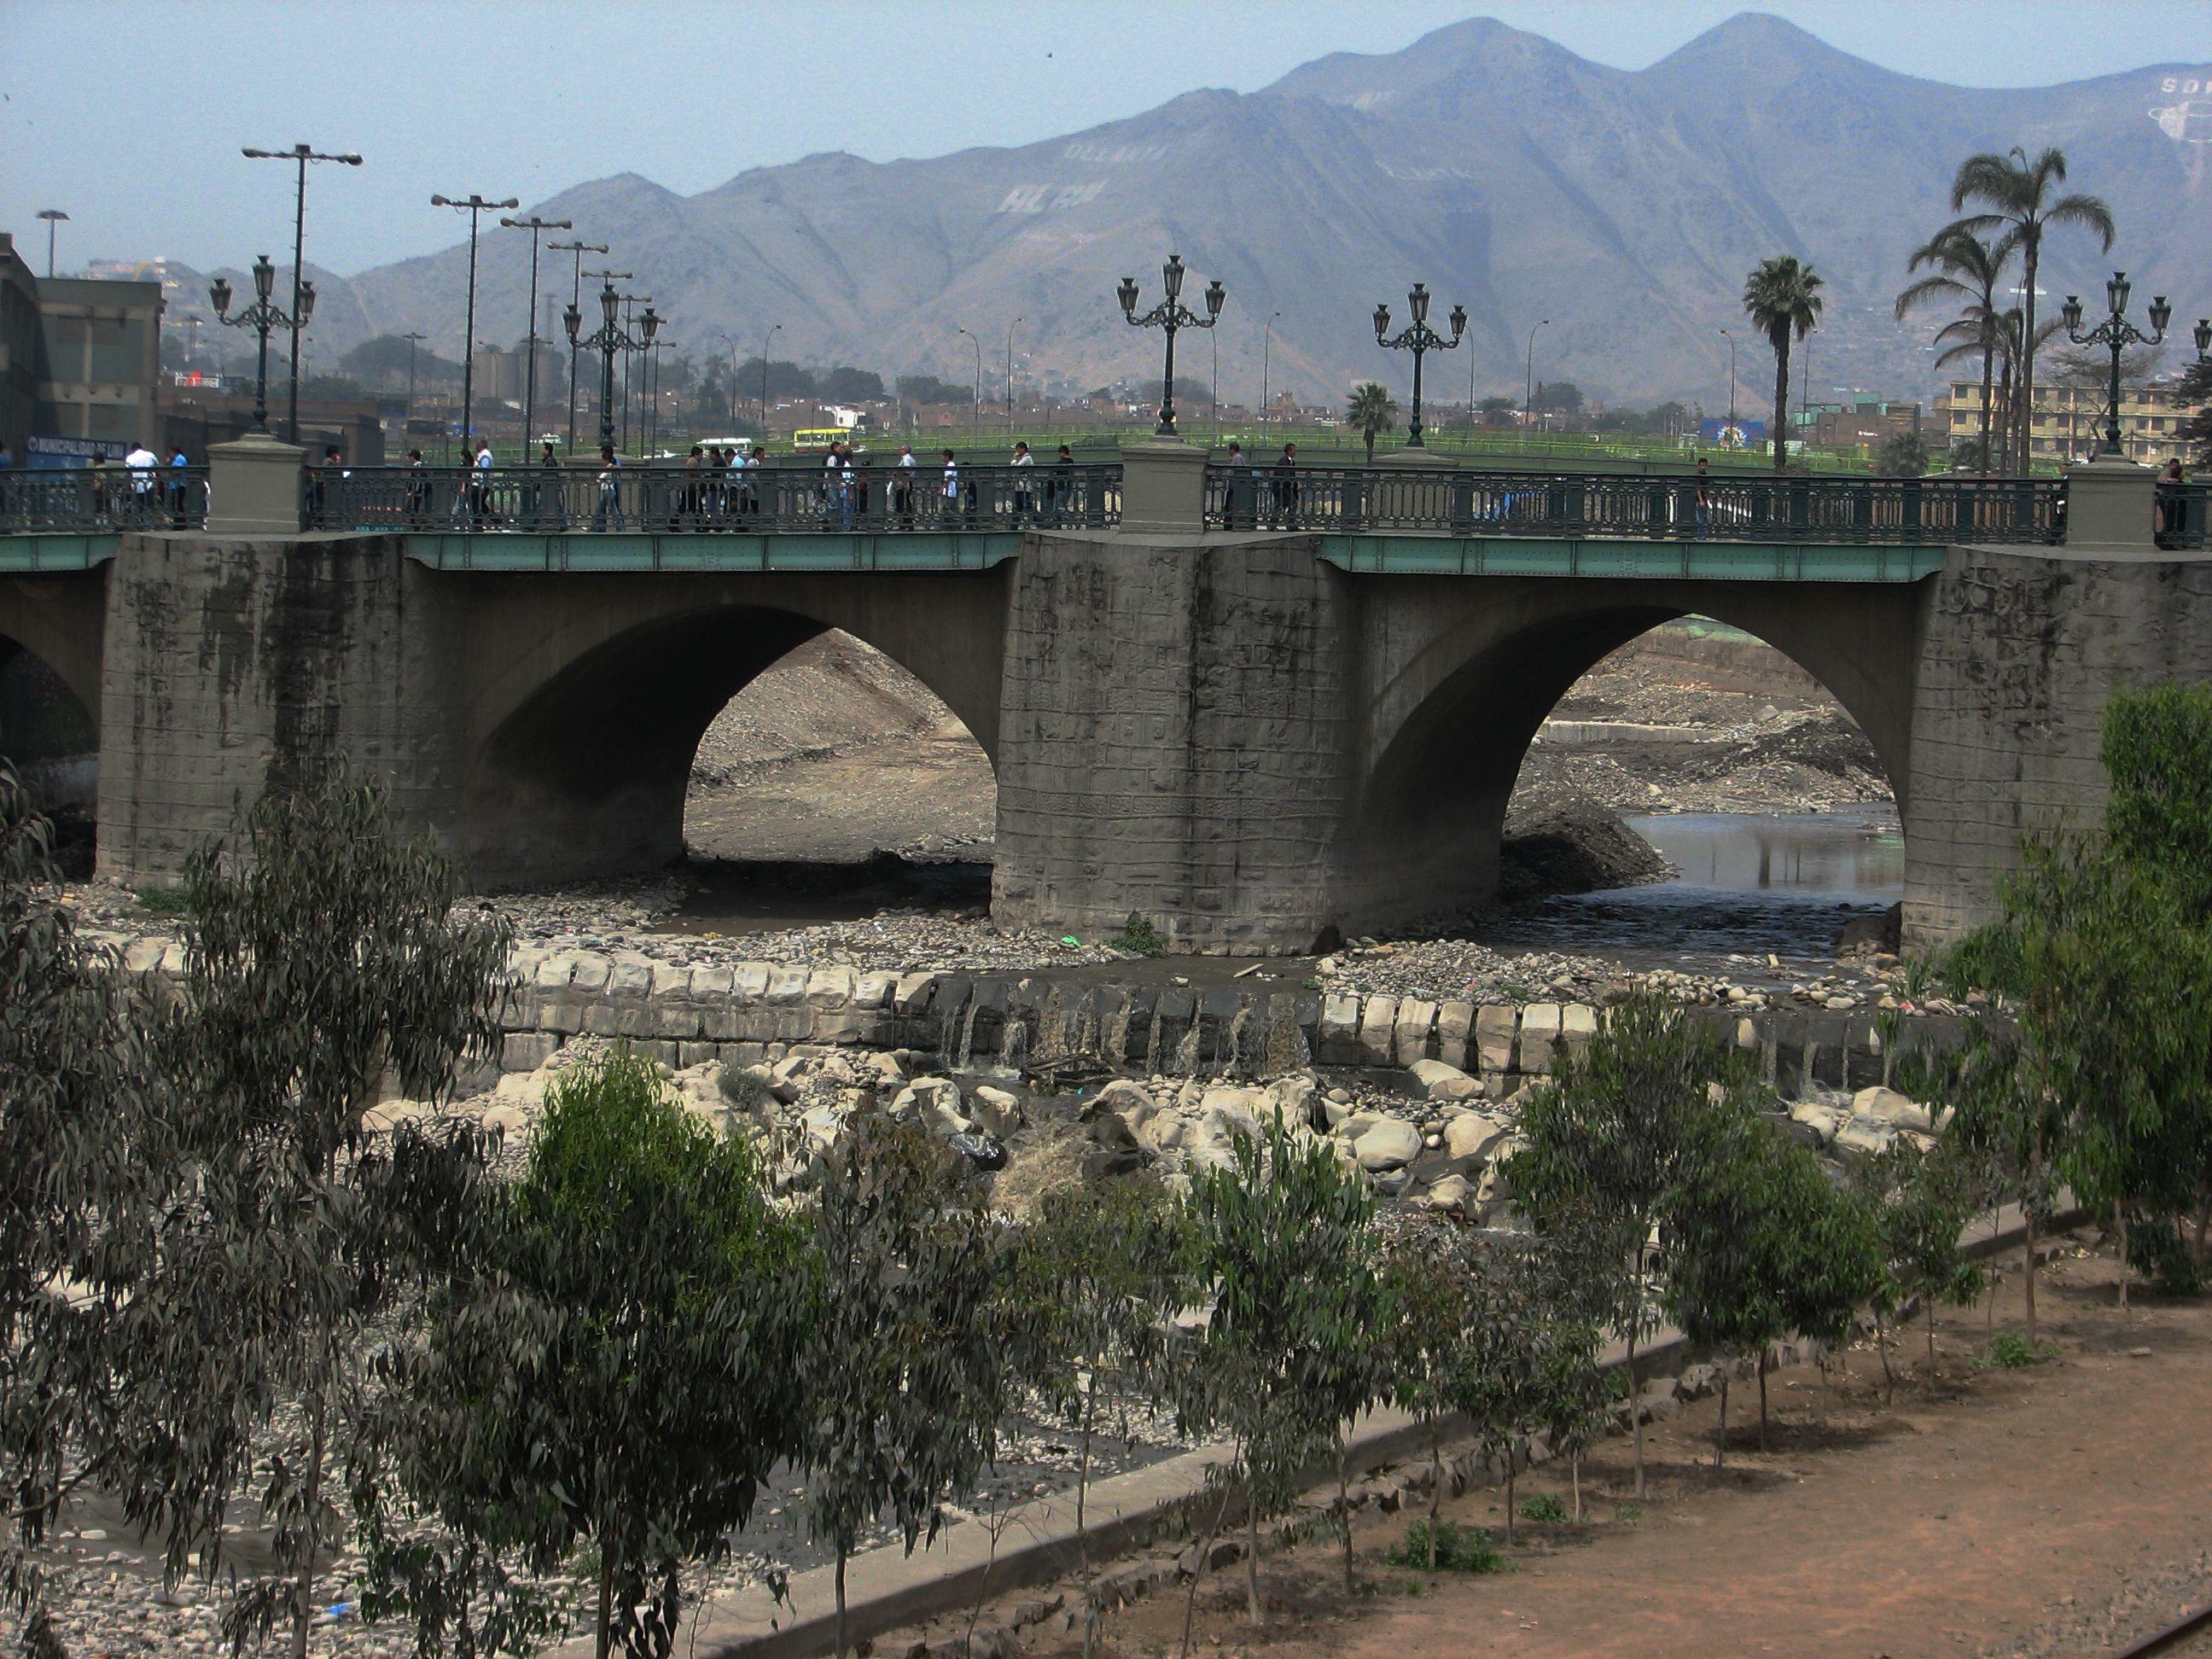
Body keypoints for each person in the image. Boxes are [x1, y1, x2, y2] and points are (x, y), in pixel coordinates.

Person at [2154, 457, 2187, 550]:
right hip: (2166, 499)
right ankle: (2166, 539)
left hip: (2173, 501)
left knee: (2172, 520)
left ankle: (2169, 539)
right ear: (2170, 465)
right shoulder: (2166, 472)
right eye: (2173, 466)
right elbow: (2160, 480)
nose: (2174, 468)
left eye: (2176, 466)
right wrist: (2169, 480)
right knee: (2168, 520)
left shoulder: (2176, 473)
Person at [125, 439, 160, 526]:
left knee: (136, 506)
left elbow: (128, 472)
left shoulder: (130, 458)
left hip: (136, 485)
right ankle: (149, 525)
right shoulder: (150, 455)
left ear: (133, 450)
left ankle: (136, 525)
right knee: (150, 506)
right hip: (149, 484)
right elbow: (156, 465)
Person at [536, 439, 566, 531]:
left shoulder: (549, 461)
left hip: (549, 488)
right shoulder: (549, 460)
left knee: (541, 506)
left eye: (543, 449)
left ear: (547, 451)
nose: (541, 451)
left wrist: (539, 487)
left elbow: (549, 474)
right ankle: (564, 524)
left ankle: (532, 524)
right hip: (551, 487)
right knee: (557, 507)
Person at [593, 443, 623, 530]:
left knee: (614, 509)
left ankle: (620, 528)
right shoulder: (613, 461)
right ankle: (598, 527)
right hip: (609, 487)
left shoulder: (612, 462)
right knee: (601, 508)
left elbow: (601, 477)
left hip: (611, 487)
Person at [1271, 441, 1299, 528]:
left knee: (1279, 506)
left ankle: (1273, 526)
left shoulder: (1291, 462)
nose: (1295, 452)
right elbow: (1284, 476)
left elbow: (1292, 476)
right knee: (1292, 504)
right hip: (1282, 488)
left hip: (1286, 488)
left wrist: (1295, 486)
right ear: (1289, 451)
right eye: (1294, 450)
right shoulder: (1283, 462)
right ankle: (1290, 524)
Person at [1010, 439, 1036, 524]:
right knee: (1019, 506)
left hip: (1024, 486)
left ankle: (1039, 520)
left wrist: (1014, 458)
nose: (1017, 451)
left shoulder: (1027, 458)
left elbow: (1017, 467)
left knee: (1027, 505)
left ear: (1023, 449)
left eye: (1018, 449)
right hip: (1020, 486)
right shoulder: (1023, 458)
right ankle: (1014, 524)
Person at [403, 448, 430, 527]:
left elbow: (418, 481)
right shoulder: (420, 466)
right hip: (420, 492)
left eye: (410, 456)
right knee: (415, 509)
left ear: (413, 457)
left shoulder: (417, 467)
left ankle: (415, 526)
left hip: (417, 493)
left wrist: (412, 491)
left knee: (414, 509)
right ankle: (416, 525)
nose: (409, 458)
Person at [893, 443, 917, 527]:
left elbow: (906, 471)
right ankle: (906, 523)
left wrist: (902, 482)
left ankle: (906, 523)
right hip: (908, 483)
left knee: (903, 503)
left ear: (905, 451)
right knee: (905, 502)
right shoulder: (911, 459)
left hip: (904, 483)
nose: (900, 451)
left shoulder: (906, 459)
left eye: (901, 449)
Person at [1051, 442, 1075, 525]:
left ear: (1063, 453)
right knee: (1059, 506)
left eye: (1060, 453)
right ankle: (1056, 523)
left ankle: (1073, 519)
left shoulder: (1060, 463)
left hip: (1060, 487)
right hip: (1068, 486)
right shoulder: (1071, 462)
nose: (1059, 455)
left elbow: (1053, 470)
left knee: (1060, 506)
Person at [167, 444, 192, 527]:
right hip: (175, 485)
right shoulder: (175, 459)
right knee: (176, 504)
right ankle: (177, 522)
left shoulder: (180, 459)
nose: (169, 454)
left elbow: (178, 470)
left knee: (178, 504)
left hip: (179, 484)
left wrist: (170, 465)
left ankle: (180, 523)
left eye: (170, 452)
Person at [940, 447, 961, 527]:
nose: (942, 458)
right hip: (950, 491)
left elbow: (949, 477)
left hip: (950, 491)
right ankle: (947, 526)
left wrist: (942, 488)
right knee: (949, 510)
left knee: (947, 509)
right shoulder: (950, 465)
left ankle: (958, 521)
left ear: (947, 456)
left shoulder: (950, 465)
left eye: (943, 456)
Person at [1693, 454, 1712, 540]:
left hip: (1704, 500)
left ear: (1707, 466)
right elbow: (1698, 488)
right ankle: (1701, 536)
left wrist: (1708, 497)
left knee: (1704, 518)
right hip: (1699, 500)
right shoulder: (1698, 475)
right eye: (1702, 465)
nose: (1703, 467)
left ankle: (1702, 535)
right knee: (1701, 519)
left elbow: (1706, 488)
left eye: (1704, 465)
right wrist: (1701, 500)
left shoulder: (1706, 475)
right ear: (1698, 466)